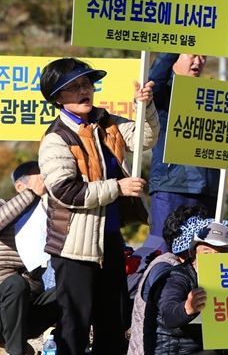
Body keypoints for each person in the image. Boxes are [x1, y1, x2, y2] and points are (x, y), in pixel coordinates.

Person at [38, 58, 159, 355]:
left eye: (87, 84)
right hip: (74, 247)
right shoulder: (56, 139)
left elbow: (145, 137)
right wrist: (117, 187)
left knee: (114, 321)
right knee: (75, 325)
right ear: (57, 98)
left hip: (110, 239)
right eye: (74, 86)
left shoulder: (106, 122)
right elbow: (65, 190)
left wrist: (146, 106)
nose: (84, 91)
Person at [148, 53, 220, 240]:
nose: (198, 61)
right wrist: (175, 42)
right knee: (164, 254)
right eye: (191, 55)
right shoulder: (163, 93)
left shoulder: (213, 96)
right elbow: (154, 81)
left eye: (203, 56)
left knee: (202, 257)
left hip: (207, 191)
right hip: (170, 187)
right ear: (174, 59)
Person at [128, 205, 210, 355]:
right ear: (191, 248)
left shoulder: (190, 268)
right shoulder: (166, 269)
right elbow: (169, 310)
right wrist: (188, 308)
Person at [154, 222, 228, 355]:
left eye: (221, 254)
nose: (213, 259)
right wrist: (188, 308)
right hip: (181, 349)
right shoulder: (179, 276)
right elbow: (168, 314)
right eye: (207, 253)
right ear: (193, 254)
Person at [0, 162, 59, 355]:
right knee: (15, 284)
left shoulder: (48, 216)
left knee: (70, 288)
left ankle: (65, 344)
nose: (44, 184)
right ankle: (15, 352)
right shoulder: (3, 206)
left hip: (25, 308)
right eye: (40, 179)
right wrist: (31, 195)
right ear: (19, 187)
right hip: (4, 301)